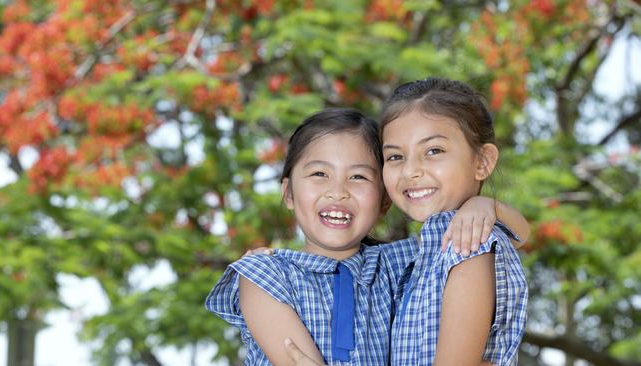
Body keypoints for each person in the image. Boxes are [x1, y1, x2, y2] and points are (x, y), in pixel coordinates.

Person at [206, 106, 527, 365]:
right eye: (319, 174)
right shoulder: (264, 274)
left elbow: (511, 237)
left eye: (358, 176)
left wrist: (486, 206)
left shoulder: (396, 265)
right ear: (288, 193)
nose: (338, 192)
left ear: (385, 200)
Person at [380, 77, 528, 365]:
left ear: (482, 162)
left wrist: (489, 207)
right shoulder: (420, 253)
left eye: (433, 151)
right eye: (395, 156)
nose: (411, 171)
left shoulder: (469, 244)